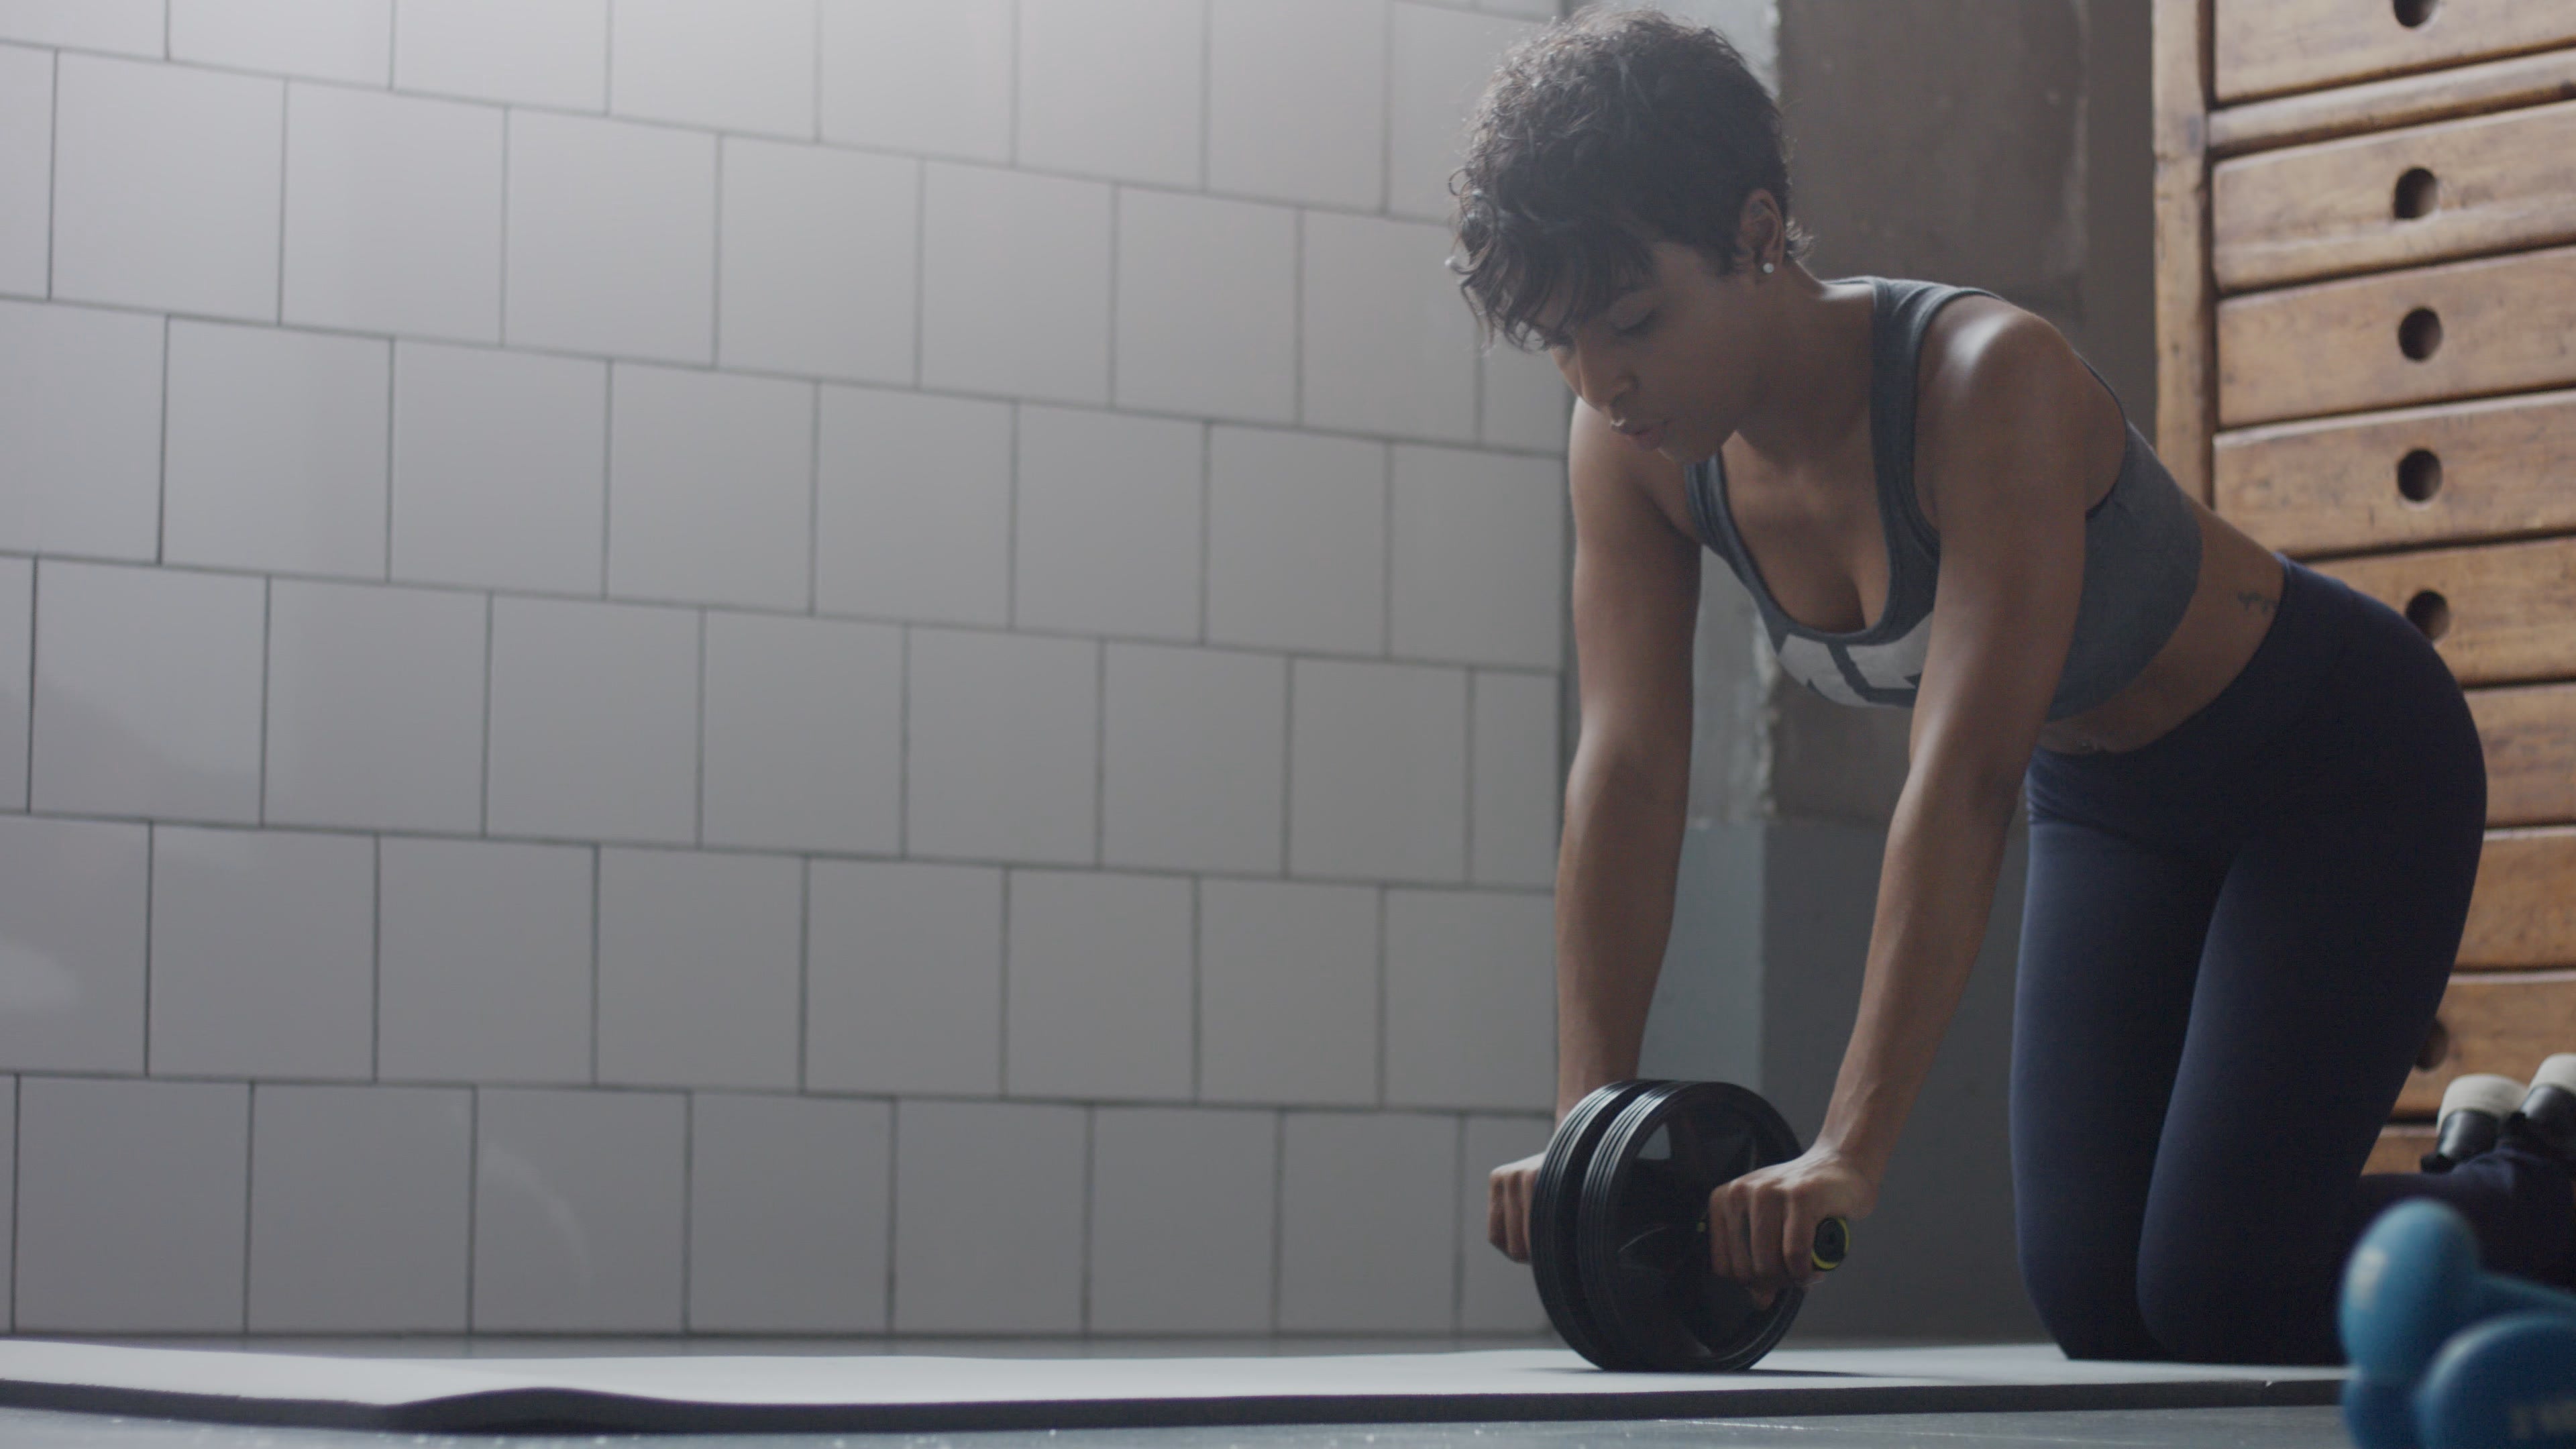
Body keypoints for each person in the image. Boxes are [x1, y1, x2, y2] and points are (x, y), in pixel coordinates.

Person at [1446, 5, 2573, 1365]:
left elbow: (1962, 773)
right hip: (2112, 802)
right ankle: (2497, 1167)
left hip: (2334, 762)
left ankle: (2545, 1188)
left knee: (2223, 1285)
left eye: (1632, 320)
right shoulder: (1629, 447)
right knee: (2103, 1302)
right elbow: (1626, 774)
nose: (1602, 381)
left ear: (1757, 233)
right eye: (1565, 342)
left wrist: (1850, 1149)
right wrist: (1589, 1137)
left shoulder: (1987, 381)